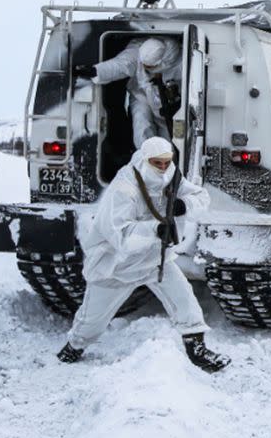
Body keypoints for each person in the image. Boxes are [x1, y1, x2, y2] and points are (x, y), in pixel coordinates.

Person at [57, 137, 228, 373]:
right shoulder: (124, 187)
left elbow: (201, 197)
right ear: (145, 160)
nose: (163, 168)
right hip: (116, 266)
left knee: (185, 301)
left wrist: (183, 205)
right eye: (157, 163)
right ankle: (73, 347)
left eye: (167, 162)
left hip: (154, 260)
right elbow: (120, 235)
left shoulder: (171, 175)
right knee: (92, 322)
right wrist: (155, 229)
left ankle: (197, 348)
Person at [74, 37, 182, 149]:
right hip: (141, 95)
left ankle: (167, 162)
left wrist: (177, 105)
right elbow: (120, 65)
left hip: (169, 105)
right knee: (141, 126)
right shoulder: (138, 53)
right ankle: (145, 157)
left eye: (149, 67)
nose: (145, 67)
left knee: (169, 138)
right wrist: (95, 71)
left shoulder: (180, 63)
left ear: (160, 62)